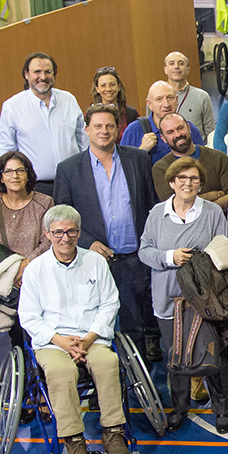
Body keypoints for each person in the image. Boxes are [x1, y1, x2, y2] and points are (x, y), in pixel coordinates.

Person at [18, 205, 129, 454]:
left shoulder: (96, 261)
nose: (65, 238)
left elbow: (110, 304)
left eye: (71, 231)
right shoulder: (35, 270)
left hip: (92, 337)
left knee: (107, 363)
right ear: (47, 233)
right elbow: (29, 317)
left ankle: (113, 433)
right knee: (60, 371)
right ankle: (74, 441)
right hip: (53, 342)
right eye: (58, 232)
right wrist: (61, 342)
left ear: (79, 233)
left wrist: (89, 338)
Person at [54, 104, 161, 363]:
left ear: (117, 130)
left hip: (134, 258)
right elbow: (62, 216)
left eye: (110, 126)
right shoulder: (68, 169)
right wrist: (88, 243)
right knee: (96, 326)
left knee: (134, 325)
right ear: (87, 130)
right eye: (98, 126)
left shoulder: (137, 159)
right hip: (94, 260)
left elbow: (150, 204)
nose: (104, 131)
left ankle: (136, 383)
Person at [140, 156, 228, 430]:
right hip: (167, 299)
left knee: (213, 356)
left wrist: (203, 261)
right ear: (171, 182)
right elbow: (144, 250)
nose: (188, 183)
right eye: (181, 178)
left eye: (194, 178)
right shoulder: (157, 214)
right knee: (175, 358)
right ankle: (179, 407)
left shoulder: (212, 213)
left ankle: (222, 409)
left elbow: (226, 246)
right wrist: (170, 257)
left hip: (206, 301)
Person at [0, 151, 54, 343]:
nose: (15, 176)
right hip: (7, 280)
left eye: (20, 170)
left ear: (28, 174)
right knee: (18, 339)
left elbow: (48, 241)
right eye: (9, 171)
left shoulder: (44, 203)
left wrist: (26, 265)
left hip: (38, 275)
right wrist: (13, 272)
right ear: (1, 177)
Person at [0, 52, 88, 196]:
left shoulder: (68, 99)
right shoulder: (12, 106)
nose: (43, 77)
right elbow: (6, 150)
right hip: (36, 187)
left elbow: (84, 140)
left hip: (75, 182)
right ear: (26, 74)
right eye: (37, 72)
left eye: (48, 72)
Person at [152, 113, 228, 209]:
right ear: (163, 138)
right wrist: (216, 194)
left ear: (189, 128)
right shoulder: (161, 168)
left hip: (221, 221)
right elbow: (176, 206)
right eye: (170, 132)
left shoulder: (218, 158)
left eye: (180, 128)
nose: (178, 134)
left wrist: (203, 208)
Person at [121, 80, 208, 165]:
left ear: (176, 100)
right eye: (159, 99)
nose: (166, 104)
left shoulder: (189, 129)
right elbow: (123, 168)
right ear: (149, 104)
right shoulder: (134, 130)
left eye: (170, 98)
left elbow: (203, 163)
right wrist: (142, 150)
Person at [163, 51, 216, 141]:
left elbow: (210, 133)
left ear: (188, 70)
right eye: (171, 63)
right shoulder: (156, 96)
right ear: (165, 70)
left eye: (181, 63)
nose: (176, 67)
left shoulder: (202, 96)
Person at [90, 66, 139, 137]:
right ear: (97, 89)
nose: (108, 89)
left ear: (119, 86)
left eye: (112, 84)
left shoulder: (131, 114)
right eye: (103, 85)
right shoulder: (91, 115)